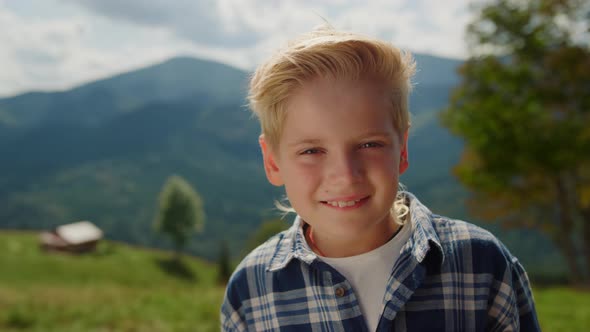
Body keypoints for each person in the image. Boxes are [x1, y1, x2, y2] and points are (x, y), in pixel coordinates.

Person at [220, 26, 540, 332]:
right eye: (312, 151)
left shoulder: (482, 265)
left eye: (369, 145)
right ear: (272, 161)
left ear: (402, 149)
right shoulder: (250, 290)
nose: (345, 174)